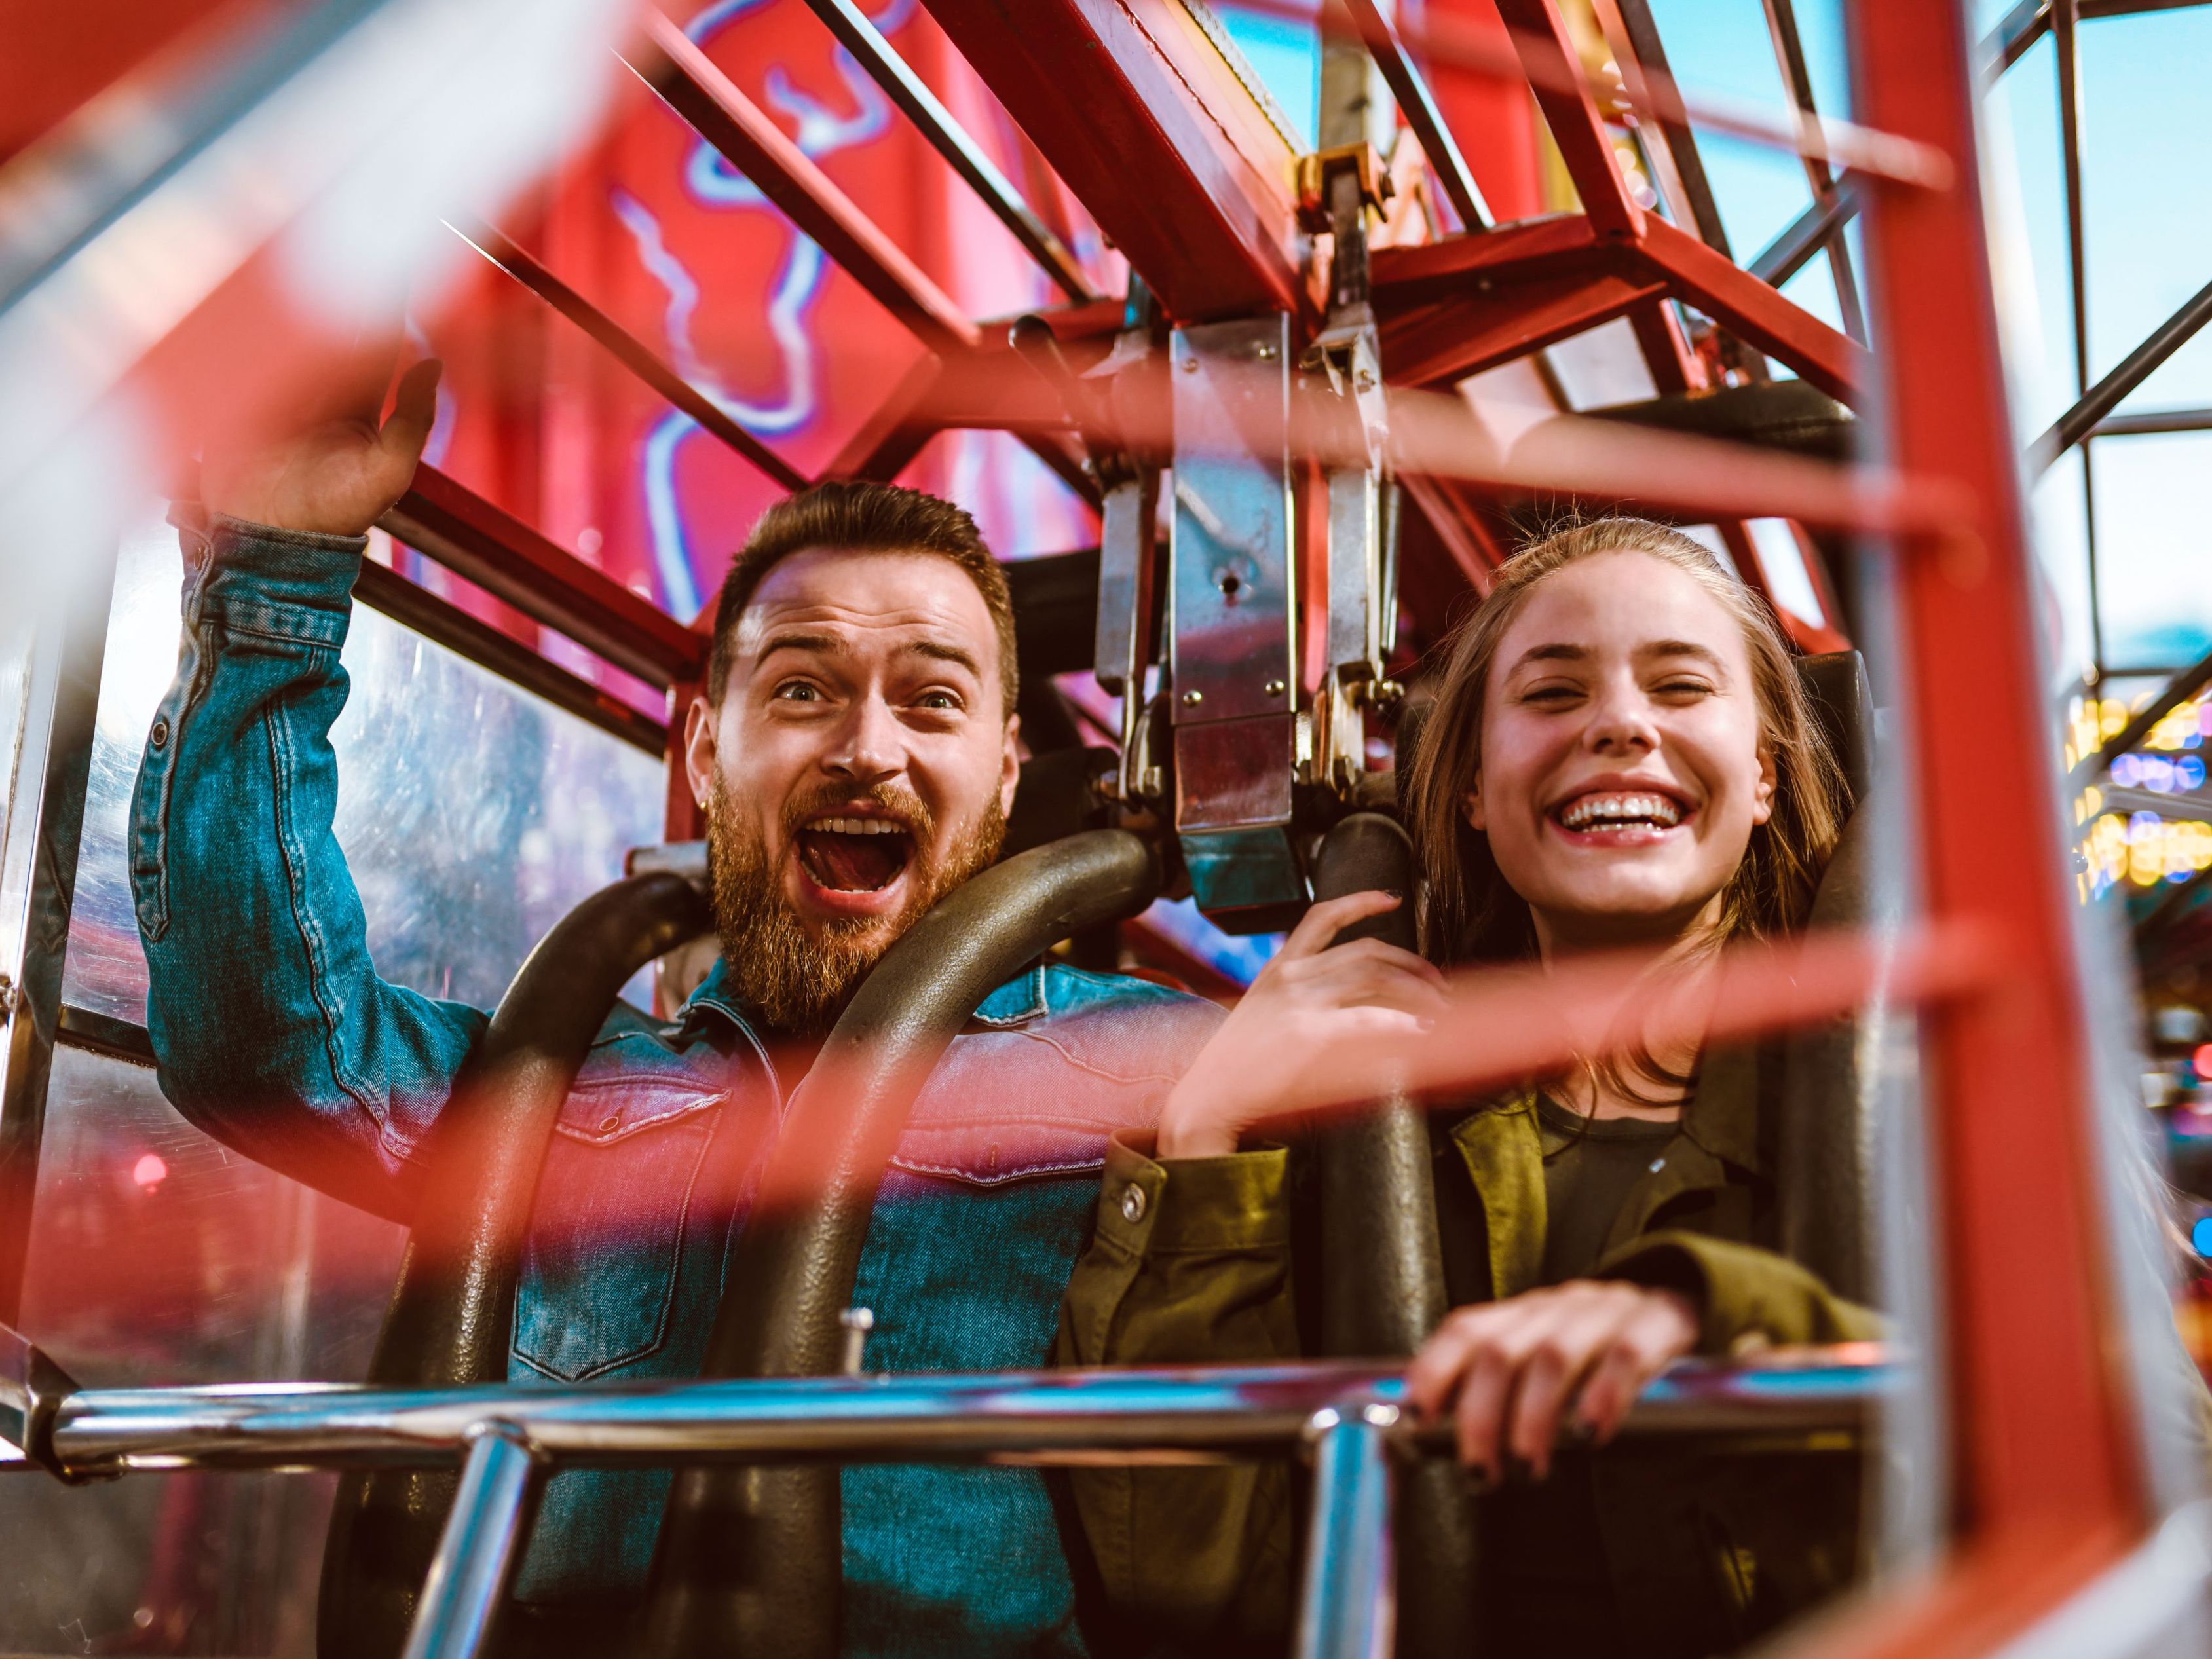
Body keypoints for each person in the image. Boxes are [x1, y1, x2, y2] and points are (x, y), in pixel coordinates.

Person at [134, 358, 1221, 1656]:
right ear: (708, 751)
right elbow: (269, 1047)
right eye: (804, 688)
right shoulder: (569, 1086)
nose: (867, 746)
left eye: (932, 698)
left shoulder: (1144, 1066)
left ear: (1002, 776)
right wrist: (284, 558)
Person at [1057, 519, 1882, 1657]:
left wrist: (1711, 1316)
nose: (1618, 723)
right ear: (1477, 794)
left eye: (1680, 685)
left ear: (1762, 777)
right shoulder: (1361, 1156)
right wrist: (1203, 1129)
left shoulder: (1917, 1097)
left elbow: (2139, 1462)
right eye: (1551, 694)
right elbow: (1186, 1591)